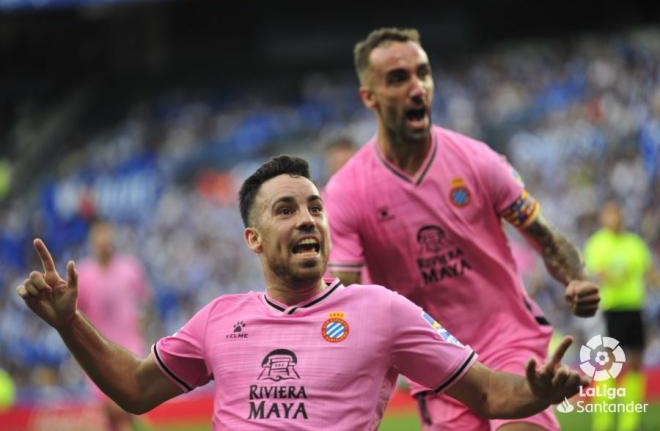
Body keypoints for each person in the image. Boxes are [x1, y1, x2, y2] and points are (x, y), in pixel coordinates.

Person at [17, 156, 590, 430]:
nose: (309, 219)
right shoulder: (221, 319)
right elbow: (137, 390)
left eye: (316, 207)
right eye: (286, 210)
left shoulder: (382, 310)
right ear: (254, 239)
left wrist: (535, 391)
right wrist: (70, 323)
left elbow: (488, 394)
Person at [323, 27, 600, 431]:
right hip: (436, 364)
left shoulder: (477, 161)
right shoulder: (348, 191)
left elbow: (545, 236)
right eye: (398, 78)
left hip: (510, 343)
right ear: (370, 97)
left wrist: (577, 278)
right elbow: (341, 297)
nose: (417, 87)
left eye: (423, 73)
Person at [585, 201, 656, 431]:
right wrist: (617, 275)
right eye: (609, 215)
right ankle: (603, 420)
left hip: (634, 307)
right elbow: (598, 273)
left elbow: (650, 272)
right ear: (603, 219)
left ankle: (629, 420)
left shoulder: (634, 244)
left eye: (616, 214)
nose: (614, 219)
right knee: (609, 363)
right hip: (611, 309)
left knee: (635, 362)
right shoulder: (598, 244)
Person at [76, 221, 151, 431]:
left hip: (129, 347)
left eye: (107, 240)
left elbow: (144, 302)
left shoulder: (130, 269)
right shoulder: (84, 274)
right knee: (110, 413)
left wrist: (140, 328)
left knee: (123, 405)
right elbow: (76, 312)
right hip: (97, 349)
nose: (104, 245)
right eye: (99, 241)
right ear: (92, 244)